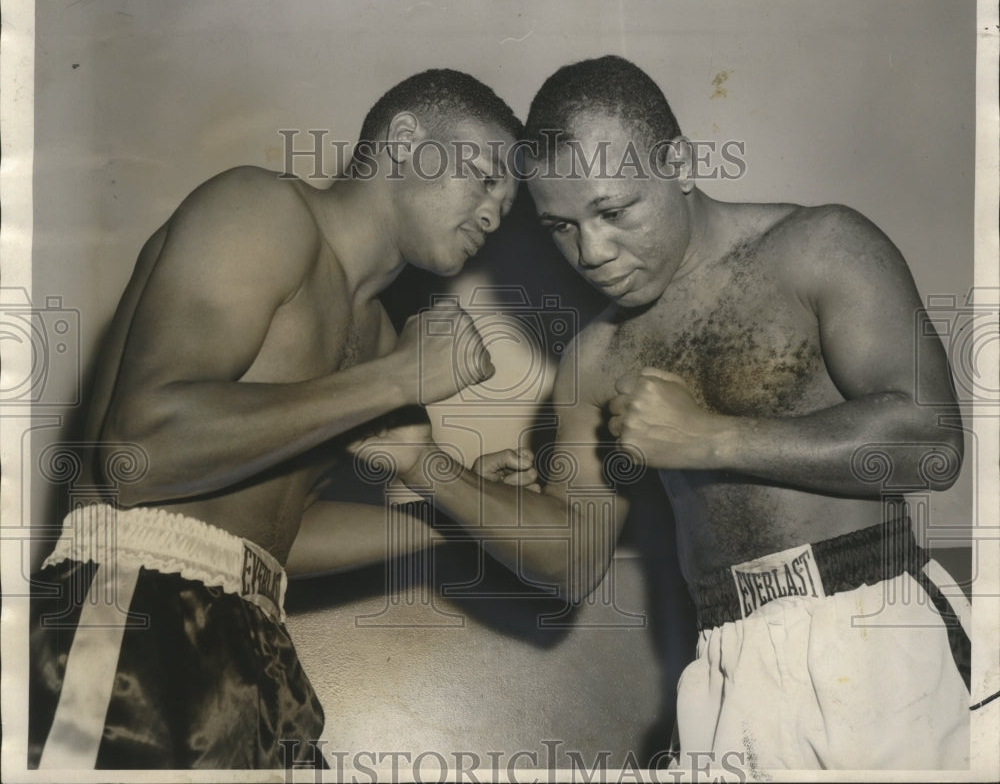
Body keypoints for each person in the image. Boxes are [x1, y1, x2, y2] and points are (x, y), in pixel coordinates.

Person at [368, 56, 972, 771]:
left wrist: (711, 438)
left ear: (679, 164)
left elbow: (933, 444)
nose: (591, 252)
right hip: (726, 654)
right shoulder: (596, 357)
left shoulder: (820, 248)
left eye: (614, 211)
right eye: (561, 227)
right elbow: (570, 560)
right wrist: (426, 466)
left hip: (875, 626)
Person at [28, 68, 529, 770]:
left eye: (506, 206)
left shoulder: (382, 335)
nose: (492, 212)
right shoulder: (261, 211)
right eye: (481, 177)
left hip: (258, 635)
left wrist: (451, 517)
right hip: (126, 610)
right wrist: (389, 382)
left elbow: (271, 533)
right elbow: (136, 457)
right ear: (405, 140)